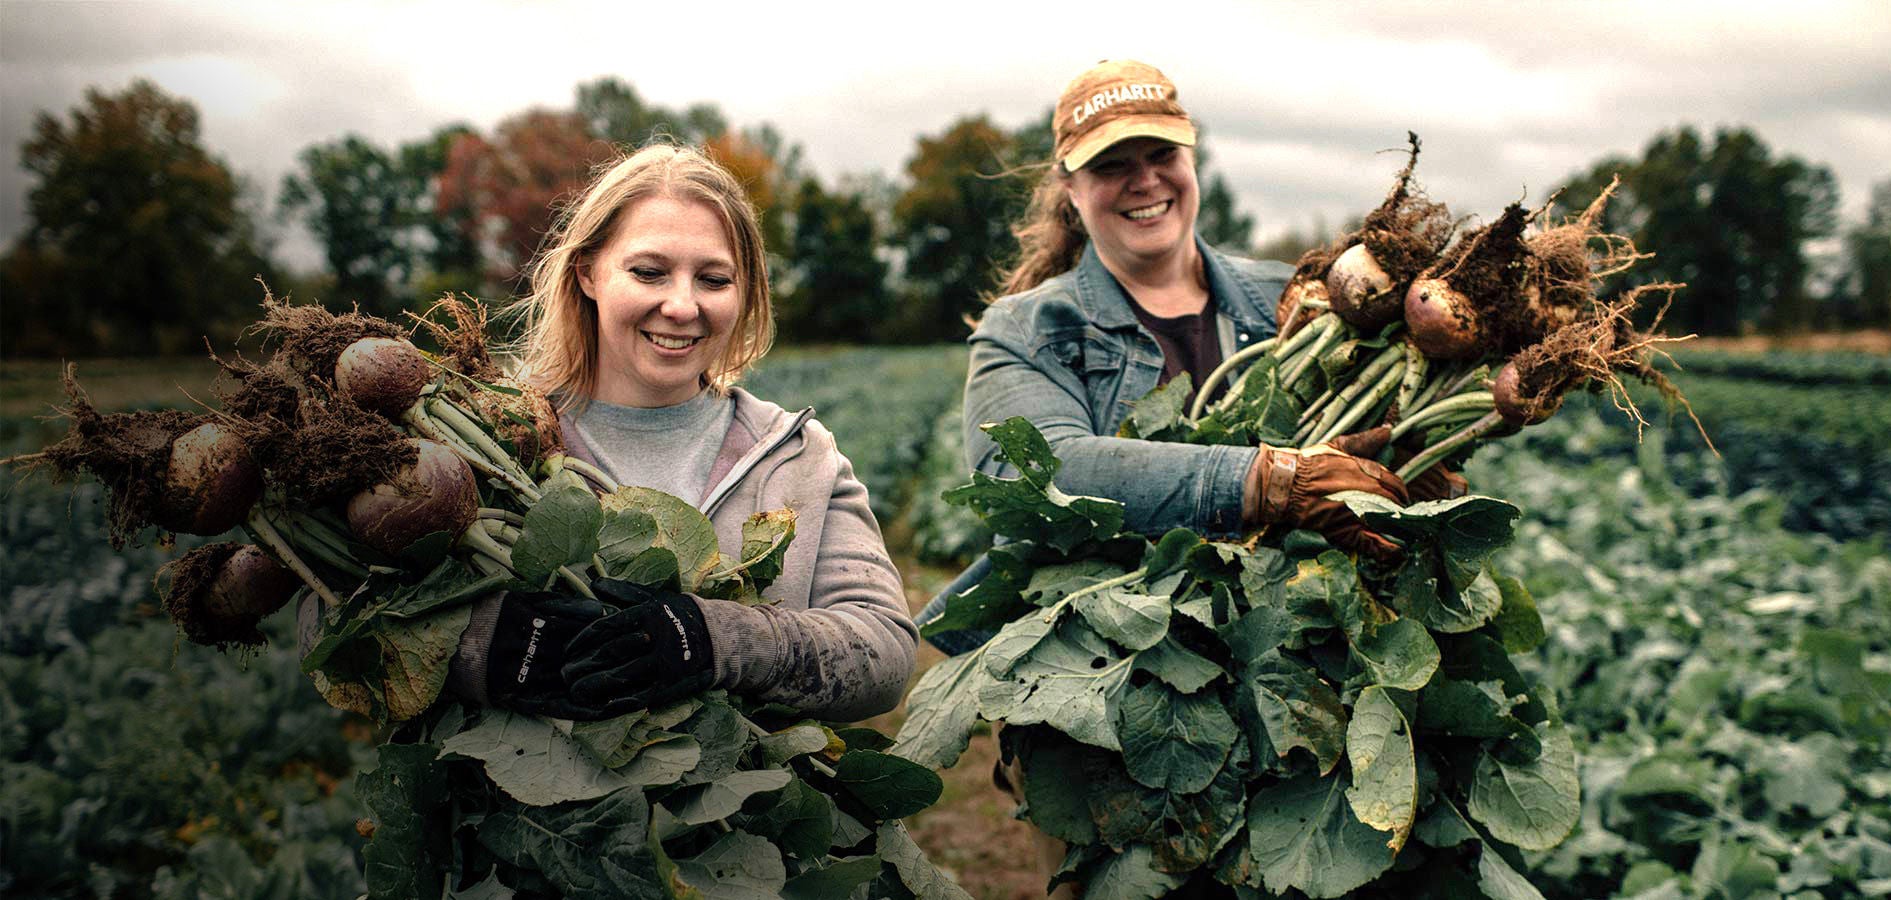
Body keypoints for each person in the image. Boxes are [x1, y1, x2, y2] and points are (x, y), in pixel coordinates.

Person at [915, 59, 1464, 895]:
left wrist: (1417, 480)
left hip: (1298, 686)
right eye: (1110, 164)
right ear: (1070, 189)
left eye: (1160, 154)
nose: (1143, 181)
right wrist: (1269, 480)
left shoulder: (1292, 303)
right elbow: (1039, 470)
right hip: (1108, 710)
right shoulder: (1028, 330)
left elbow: (1380, 446)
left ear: (1192, 159)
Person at [443, 142, 918, 723]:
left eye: (714, 279)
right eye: (649, 272)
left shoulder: (796, 457)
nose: (682, 305)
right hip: (512, 814)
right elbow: (331, 621)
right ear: (588, 272)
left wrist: (719, 640)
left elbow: (885, 653)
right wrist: (494, 648)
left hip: (751, 814)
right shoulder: (484, 438)